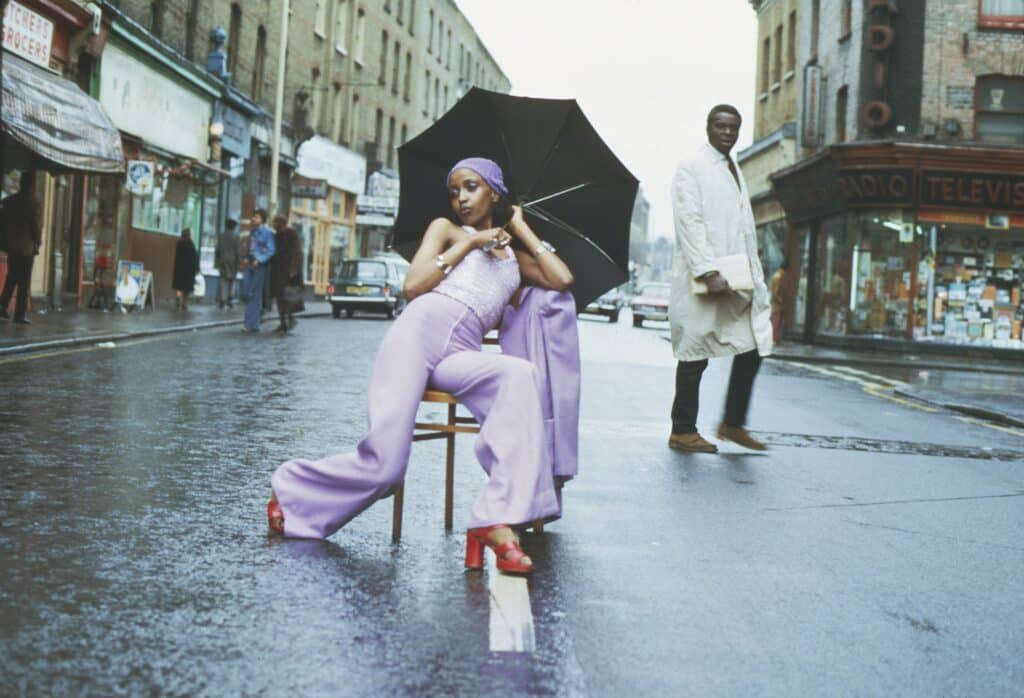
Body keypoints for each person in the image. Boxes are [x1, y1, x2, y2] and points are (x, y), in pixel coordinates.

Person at [268, 157, 574, 576]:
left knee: (520, 374)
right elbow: (413, 287)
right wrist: (469, 243)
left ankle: (496, 520)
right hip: (416, 335)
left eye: (470, 187)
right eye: (455, 191)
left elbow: (562, 279)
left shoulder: (514, 262)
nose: (460, 198)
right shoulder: (446, 230)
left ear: (495, 193)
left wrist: (520, 227)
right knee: (387, 466)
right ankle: (293, 491)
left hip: (460, 351)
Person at [667, 105, 772, 453]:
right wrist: (707, 270)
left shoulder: (733, 166)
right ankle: (682, 429)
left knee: (753, 343)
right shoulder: (692, 167)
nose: (728, 132)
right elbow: (690, 222)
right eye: (721, 126)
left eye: (734, 127)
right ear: (708, 127)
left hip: (736, 275)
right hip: (708, 277)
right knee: (695, 352)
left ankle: (732, 422)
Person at [0, 171, 41, 324]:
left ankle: (2, 306)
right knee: (24, 282)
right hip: (26, 248)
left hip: (12, 246)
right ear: (31, 186)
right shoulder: (34, 204)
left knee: (11, 277)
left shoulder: (9, 202)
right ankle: (19, 315)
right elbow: (36, 227)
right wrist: (38, 242)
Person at [241, 209, 275, 333]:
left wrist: (260, 260)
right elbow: (248, 247)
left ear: (262, 219)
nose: (253, 219)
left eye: (256, 217)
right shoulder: (252, 232)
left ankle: (250, 325)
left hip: (259, 266)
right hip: (249, 263)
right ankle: (256, 318)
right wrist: (245, 258)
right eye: (253, 216)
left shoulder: (267, 233)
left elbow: (271, 250)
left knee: (254, 294)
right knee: (245, 292)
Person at [269, 215, 302, 333]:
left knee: (289, 297)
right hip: (278, 271)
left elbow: (297, 252)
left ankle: (290, 319)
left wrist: (293, 269)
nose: (273, 225)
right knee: (279, 298)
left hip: (289, 272)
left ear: (280, 223)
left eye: (275, 223)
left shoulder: (291, 234)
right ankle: (282, 323)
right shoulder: (275, 236)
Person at [215, 218, 241, 309]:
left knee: (223, 280)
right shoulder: (236, 237)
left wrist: (217, 261)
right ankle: (230, 298)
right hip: (233, 262)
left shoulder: (221, 236)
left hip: (223, 261)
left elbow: (217, 249)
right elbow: (238, 251)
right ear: (234, 227)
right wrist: (239, 262)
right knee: (232, 280)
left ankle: (222, 299)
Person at [172, 228, 200, 309]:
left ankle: (178, 299)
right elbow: (194, 258)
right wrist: (197, 268)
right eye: (192, 234)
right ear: (189, 235)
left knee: (179, 286)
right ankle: (184, 303)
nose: (193, 235)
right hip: (188, 270)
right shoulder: (191, 244)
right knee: (186, 288)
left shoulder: (179, 243)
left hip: (179, 268)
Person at [769, 260, 789, 343]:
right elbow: (776, 292)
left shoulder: (777, 275)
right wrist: (781, 301)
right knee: (776, 322)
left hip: (776, 304)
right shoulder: (780, 277)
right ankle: (774, 339)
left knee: (776, 322)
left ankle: (775, 338)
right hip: (778, 304)